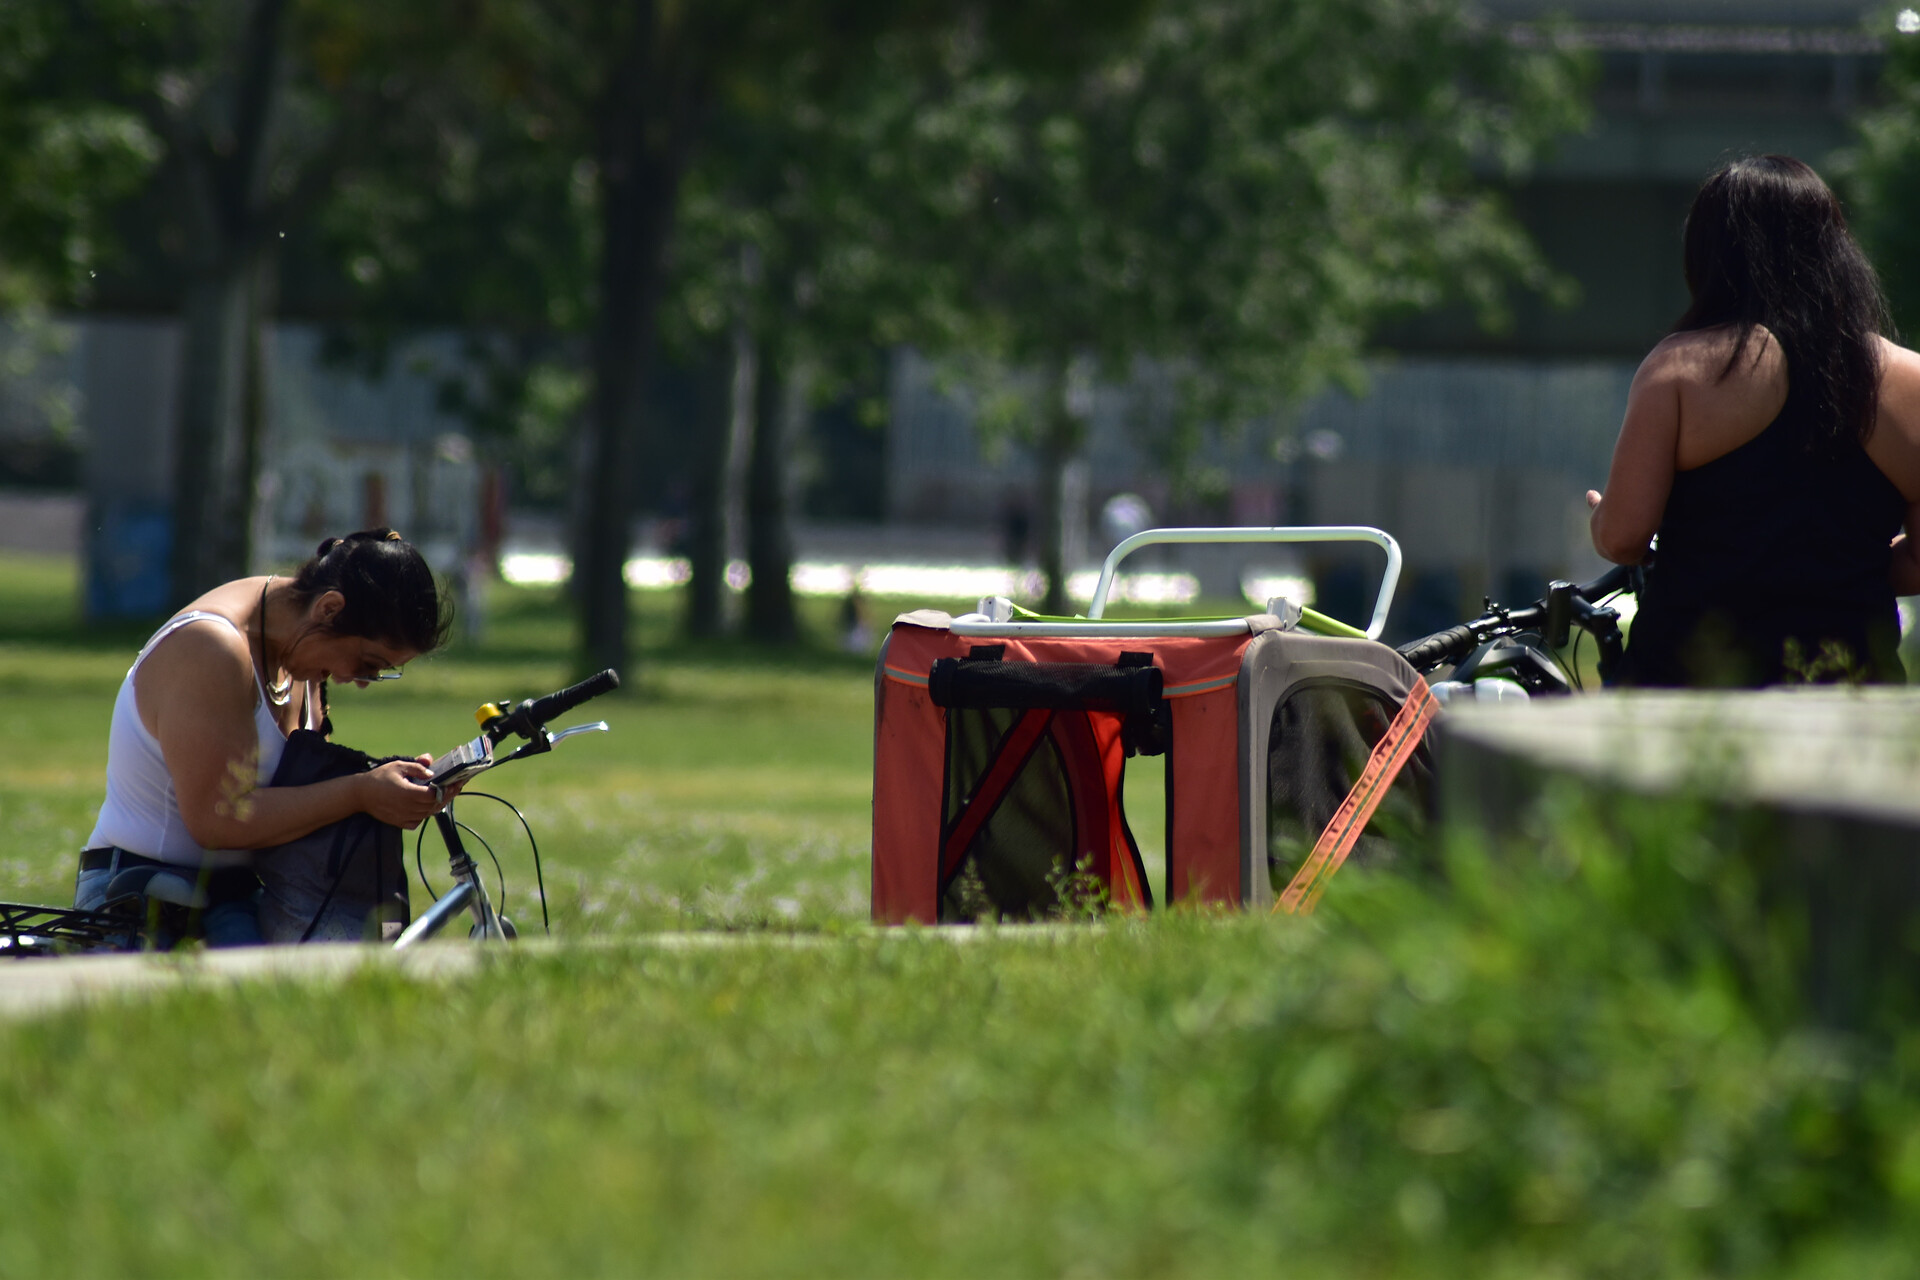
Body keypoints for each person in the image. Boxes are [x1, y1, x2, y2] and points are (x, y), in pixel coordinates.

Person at [1587, 155, 1920, 687]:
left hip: (1687, 691)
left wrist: (1603, 519)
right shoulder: (1909, 381)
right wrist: (1827, 564)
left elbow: (1626, 538)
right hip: (1852, 692)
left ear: (1711, 257)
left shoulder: (1681, 368)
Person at [73, 529, 453, 943]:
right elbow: (218, 820)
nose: (361, 681)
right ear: (329, 608)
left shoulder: (299, 651)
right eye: (368, 662)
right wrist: (360, 792)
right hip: (137, 893)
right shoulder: (211, 646)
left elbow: (304, 795)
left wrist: (397, 789)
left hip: (231, 896)